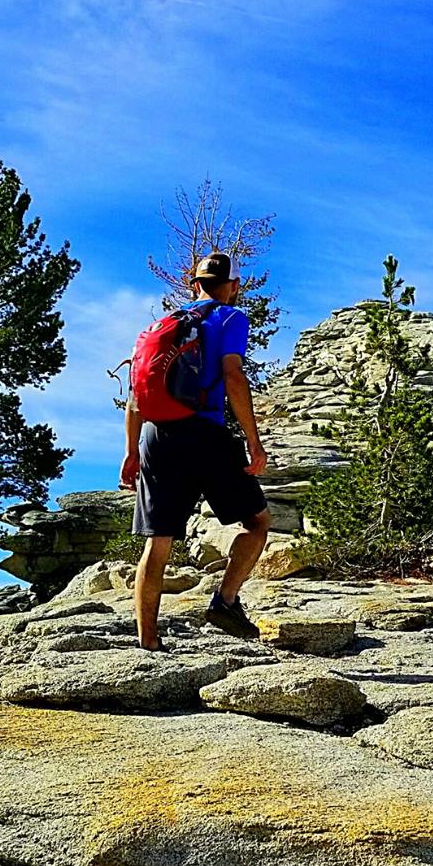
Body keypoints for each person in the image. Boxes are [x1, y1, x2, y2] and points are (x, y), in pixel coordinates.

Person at [120, 252, 272, 650]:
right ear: (234, 286)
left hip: (154, 435)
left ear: (195, 283)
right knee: (257, 523)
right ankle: (225, 601)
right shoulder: (229, 318)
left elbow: (136, 396)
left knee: (158, 541)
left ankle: (148, 643)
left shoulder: (159, 326)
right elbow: (233, 374)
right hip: (204, 432)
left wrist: (132, 452)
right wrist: (253, 442)